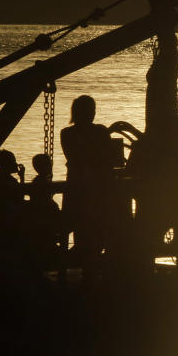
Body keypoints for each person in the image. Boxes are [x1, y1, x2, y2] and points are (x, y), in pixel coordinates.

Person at [59, 95, 112, 258]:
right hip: (91, 188)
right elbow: (105, 158)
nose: (93, 114)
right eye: (90, 110)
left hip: (76, 186)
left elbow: (75, 157)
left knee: (80, 223)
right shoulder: (100, 131)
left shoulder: (67, 133)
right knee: (91, 223)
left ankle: (82, 257)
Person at [0, 149, 24, 251]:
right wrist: (22, 178)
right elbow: (20, 197)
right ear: (8, 164)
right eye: (14, 161)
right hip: (7, 218)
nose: (16, 164)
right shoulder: (9, 180)